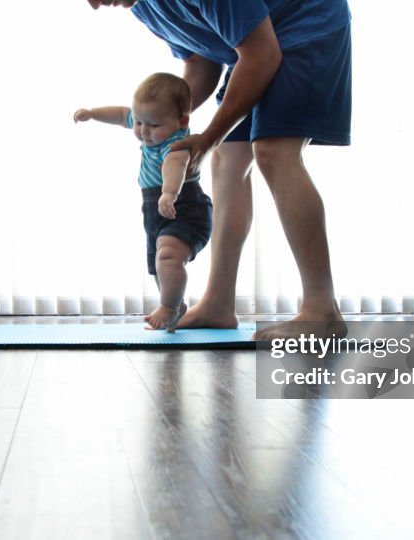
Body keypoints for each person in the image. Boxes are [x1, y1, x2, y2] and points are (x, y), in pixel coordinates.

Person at [86, 0, 352, 341]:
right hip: (260, 45)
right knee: (227, 158)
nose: (94, 5)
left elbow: (262, 55)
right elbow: (201, 61)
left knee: (273, 150)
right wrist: (163, 120)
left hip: (305, 23)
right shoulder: (143, 6)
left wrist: (208, 136)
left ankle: (322, 311)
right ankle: (218, 303)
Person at [74, 73, 213, 332]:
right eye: (138, 123)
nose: (143, 131)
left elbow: (176, 166)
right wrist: (93, 113)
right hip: (154, 208)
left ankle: (169, 308)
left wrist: (169, 193)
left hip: (184, 206)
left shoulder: (176, 143)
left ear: (182, 121)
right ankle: (174, 305)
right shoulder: (149, 125)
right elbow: (121, 114)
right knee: (159, 266)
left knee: (169, 256)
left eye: (152, 125)